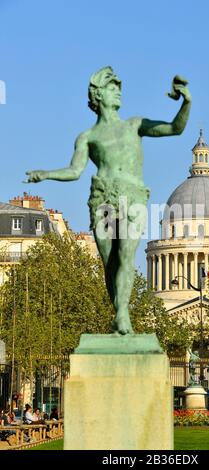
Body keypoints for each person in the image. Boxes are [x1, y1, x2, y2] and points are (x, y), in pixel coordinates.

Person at [25, 66, 191, 335]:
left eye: (119, 90)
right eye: (113, 89)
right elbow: (75, 171)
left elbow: (175, 128)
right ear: (98, 95)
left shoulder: (135, 125)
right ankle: (118, 311)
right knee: (110, 263)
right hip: (101, 197)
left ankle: (123, 314)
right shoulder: (88, 137)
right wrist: (46, 174)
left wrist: (187, 101)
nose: (119, 95)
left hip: (132, 196)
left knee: (126, 257)